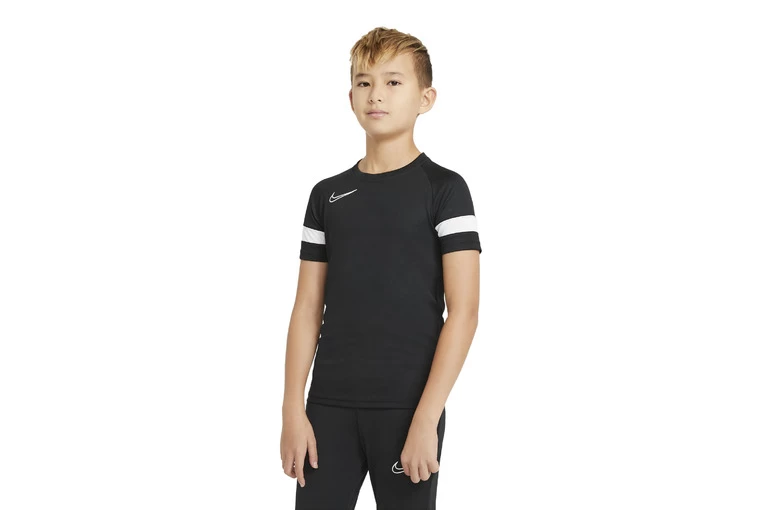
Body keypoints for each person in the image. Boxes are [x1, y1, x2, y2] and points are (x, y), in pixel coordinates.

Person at [280, 26, 482, 510]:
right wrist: (292, 408)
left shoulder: (445, 190)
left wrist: (426, 418)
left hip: (407, 406)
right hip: (328, 407)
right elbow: (307, 307)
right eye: (364, 82)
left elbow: (464, 312)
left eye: (393, 82)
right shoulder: (327, 195)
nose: (376, 94)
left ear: (425, 98)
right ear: (350, 97)